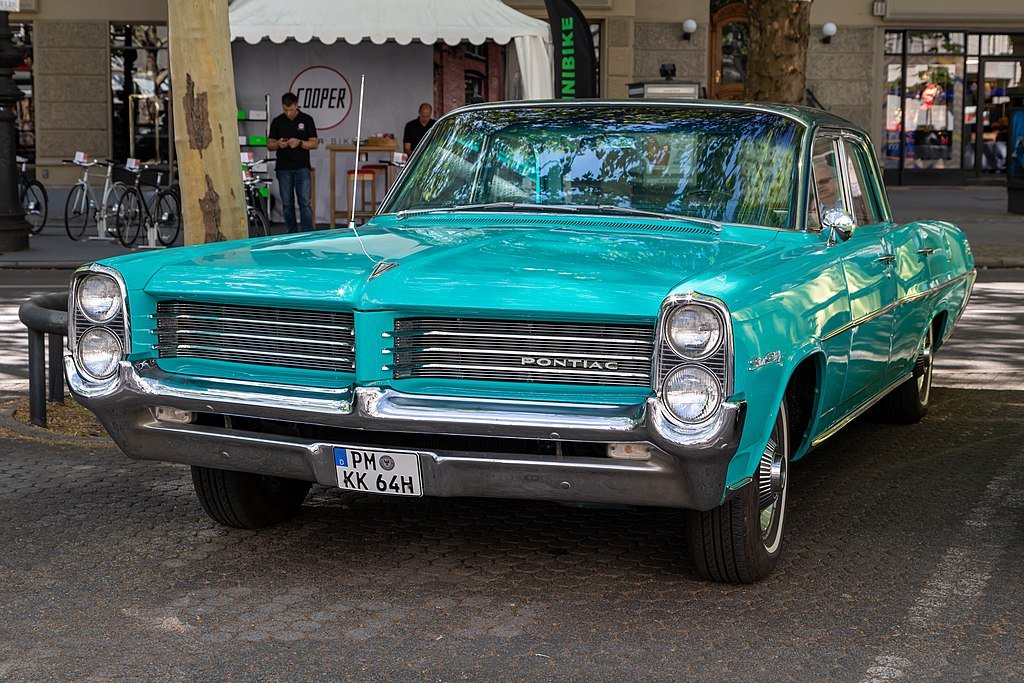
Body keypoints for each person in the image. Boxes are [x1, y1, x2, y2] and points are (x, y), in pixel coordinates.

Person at [268, 92, 319, 233]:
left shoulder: (307, 119)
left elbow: (314, 143)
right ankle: (291, 233)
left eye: (291, 109)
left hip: (302, 167)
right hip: (283, 167)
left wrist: (300, 142)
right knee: (287, 204)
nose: (288, 113)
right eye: (285, 110)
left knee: (304, 202)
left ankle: (307, 233)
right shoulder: (278, 121)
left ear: (297, 105)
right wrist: (279, 143)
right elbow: (269, 144)